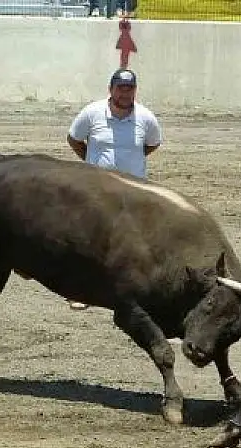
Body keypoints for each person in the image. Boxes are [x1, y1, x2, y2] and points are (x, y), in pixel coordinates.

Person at [64, 68, 163, 310]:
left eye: (129, 89)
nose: (125, 94)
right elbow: (74, 139)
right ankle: (81, 292)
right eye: (120, 88)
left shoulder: (146, 118)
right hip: (97, 191)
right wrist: (91, 160)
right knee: (90, 241)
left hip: (134, 191)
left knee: (135, 243)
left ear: (135, 91)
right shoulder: (92, 113)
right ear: (111, 89)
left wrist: (132, 161)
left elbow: (152, 144)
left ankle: (135, 292)